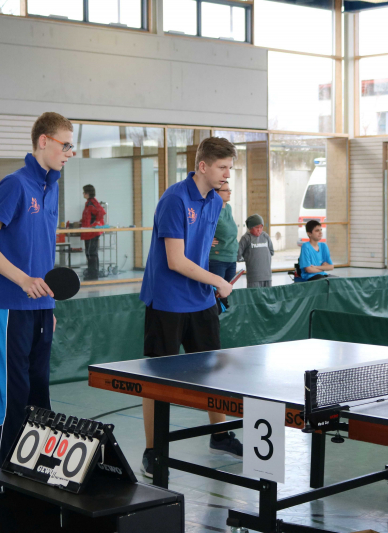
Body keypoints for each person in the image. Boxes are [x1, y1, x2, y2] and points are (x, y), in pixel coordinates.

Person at [0, 112, 75, 523]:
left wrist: (48, 305)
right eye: (65, 144)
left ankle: (32, 484)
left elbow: (41, 250)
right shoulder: (15, 184)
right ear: (44, 141)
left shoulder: (52, 186)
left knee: (39, 399)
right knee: (11, 400)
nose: (70, 152)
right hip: (10, 307)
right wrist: (23, 280)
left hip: (40, 309)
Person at [139, 137, 242, 478]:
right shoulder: (175, 200)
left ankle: (220, 435)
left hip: (201, 300)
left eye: (229, 167)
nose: (227, 174)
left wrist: (211, 284)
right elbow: (176, 260)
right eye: (222, 167)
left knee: (213, 373)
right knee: (157, 381)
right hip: (167, 302)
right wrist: (218, 281)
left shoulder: (214, 202)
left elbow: (202, 248)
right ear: (202, 166)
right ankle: (152, 451)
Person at [208, 182, 238, 285]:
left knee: (228, 292)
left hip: (231, 257)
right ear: (216, 192)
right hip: (217, 258)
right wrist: (206, 239)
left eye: (230, 190)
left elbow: (232, 232)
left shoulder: (228, 208)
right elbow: (197, 227)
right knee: (217, 291)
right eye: (226, 190)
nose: (229, 193)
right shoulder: (211, 209)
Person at [238, 214, 274, 288]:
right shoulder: (246, 238)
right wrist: (248, 258)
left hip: (267, 275)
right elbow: (238, 254)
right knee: (254, 294)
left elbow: (271, 251)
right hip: (254, 277)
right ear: (250, 228)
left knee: (268, 294)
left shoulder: (265, 236)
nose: (259, 230)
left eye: (261, 227)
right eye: (256, 227)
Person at [81, 184, 106, 280]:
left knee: (92, 253)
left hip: (92, 232)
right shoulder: (88, 203)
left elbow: (101, 212)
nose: (83, 194)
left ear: (88, 193)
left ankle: (93, 275)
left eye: (84, 192)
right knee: (89, 253)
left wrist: (95, 224)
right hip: (88, 232)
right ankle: (91, 273)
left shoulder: (92, 203)